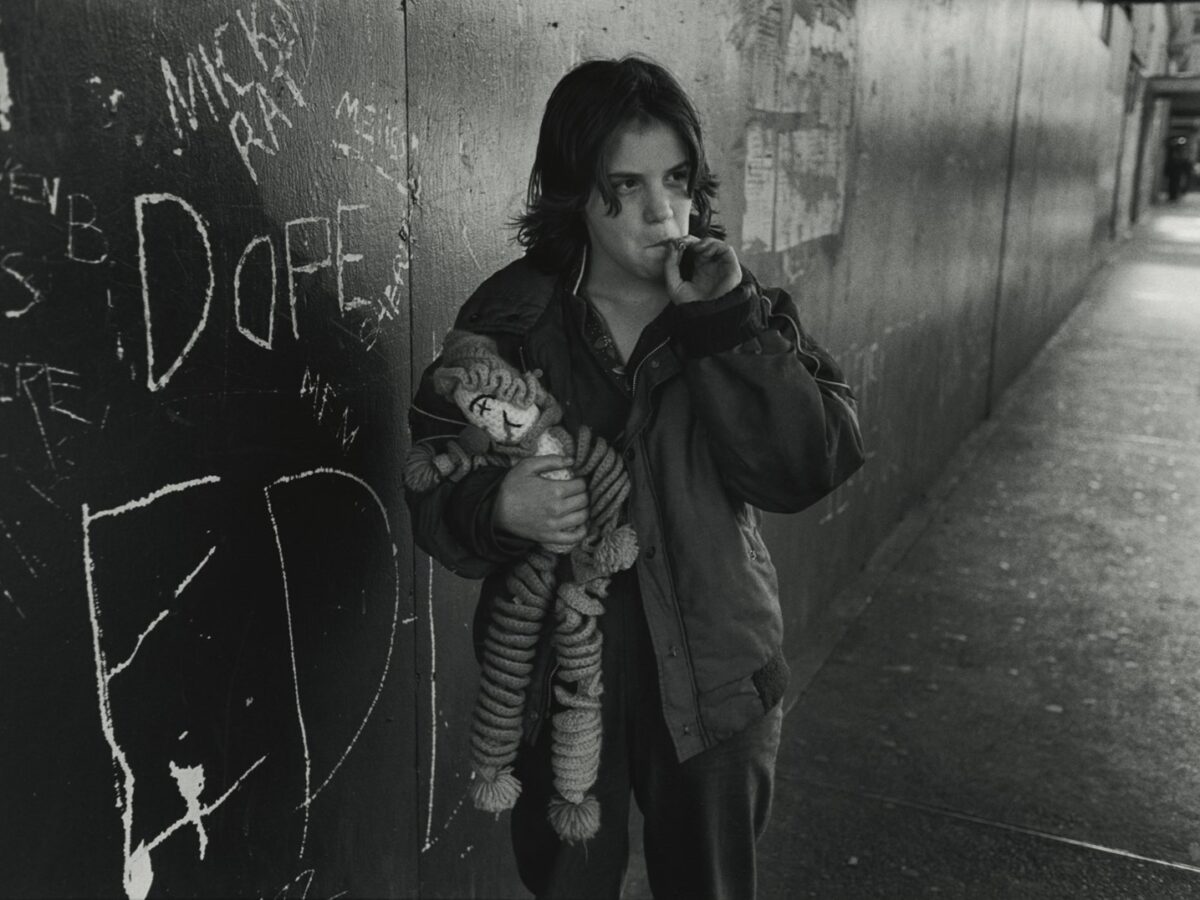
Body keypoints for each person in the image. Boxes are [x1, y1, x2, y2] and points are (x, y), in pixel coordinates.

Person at [406, 55, 864, 900]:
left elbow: (810, 466)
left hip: (719, 675)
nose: (663, 210)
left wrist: (720, 328)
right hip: (562, 686)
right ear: (574, 190)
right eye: (628, 184)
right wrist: (501, 507)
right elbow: (433, 494)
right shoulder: (510, 324)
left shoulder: (733, 301)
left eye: (678, 178)